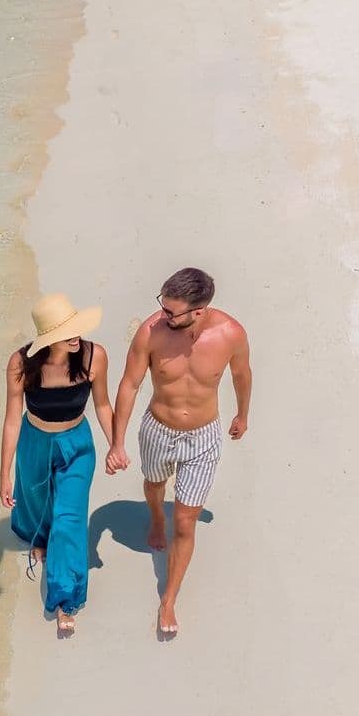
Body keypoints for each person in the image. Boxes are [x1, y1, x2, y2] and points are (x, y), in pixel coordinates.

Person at [105, 267, 251, 636]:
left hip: (204, 436)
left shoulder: (230, 334)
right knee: (154, 484)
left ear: (199, 311)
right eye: (163, 307)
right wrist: (117, 443)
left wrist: (242, 415)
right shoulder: (151, 332)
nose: (163, 317)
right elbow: (130, 383)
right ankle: (156, 517)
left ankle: (168, 599)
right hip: (158, 428)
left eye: (172, 313)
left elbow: (241, 375)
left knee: (185, 520)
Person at [0, 293, 114, 635]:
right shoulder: (21, 364)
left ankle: (65, 598)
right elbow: (11, 421)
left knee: (70, 518)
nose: (77, 336)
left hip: (77, 445)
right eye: (68, 333)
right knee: (37, 502)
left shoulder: (95, 357)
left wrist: (116, 445)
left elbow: (104, 406)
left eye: (77, 328)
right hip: (35, 440)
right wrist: (4, 474)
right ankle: (41, 541)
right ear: (48, 339)